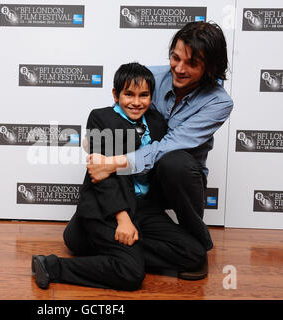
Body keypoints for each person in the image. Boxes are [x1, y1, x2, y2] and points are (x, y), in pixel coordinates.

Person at [87, 21, 234, 280]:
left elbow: (169, 145)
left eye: (191, 63)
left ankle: (193, 243)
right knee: (104, 153)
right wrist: (98, 150)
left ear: (210, 67)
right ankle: (106, 233)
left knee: (174, 161)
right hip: (138, 178)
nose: (178, 68)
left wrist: (116, 162)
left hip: (177, 179)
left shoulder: (219, 102)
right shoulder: (151, 78)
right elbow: (115, 117)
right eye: (175, 58)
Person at [31, 62, 168, 290]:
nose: (136, 102)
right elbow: (102, 174)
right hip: (108, 207)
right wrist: (123, 219)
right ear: (115, 94)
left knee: (193, 255)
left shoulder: (157, 123)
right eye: (128, 94)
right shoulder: (101, 118)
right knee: (131, 273)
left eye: (143, 95)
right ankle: (52, 266)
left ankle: (111, 249)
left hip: (142, 207)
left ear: (152, 97)